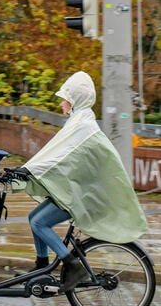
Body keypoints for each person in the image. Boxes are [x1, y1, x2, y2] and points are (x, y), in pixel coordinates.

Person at [14, 71, 147, 291]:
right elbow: (57, 155)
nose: (61, 103)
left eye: (65, 98)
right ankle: (41, 267)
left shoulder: (81, 125)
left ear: (75, 99)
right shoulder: (81, 121)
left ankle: (73, 265)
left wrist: (27, 170)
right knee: (33, 217)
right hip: (80, 191)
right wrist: (27, 170)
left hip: (84, 196)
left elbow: (56, 157)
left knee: (39, 223)